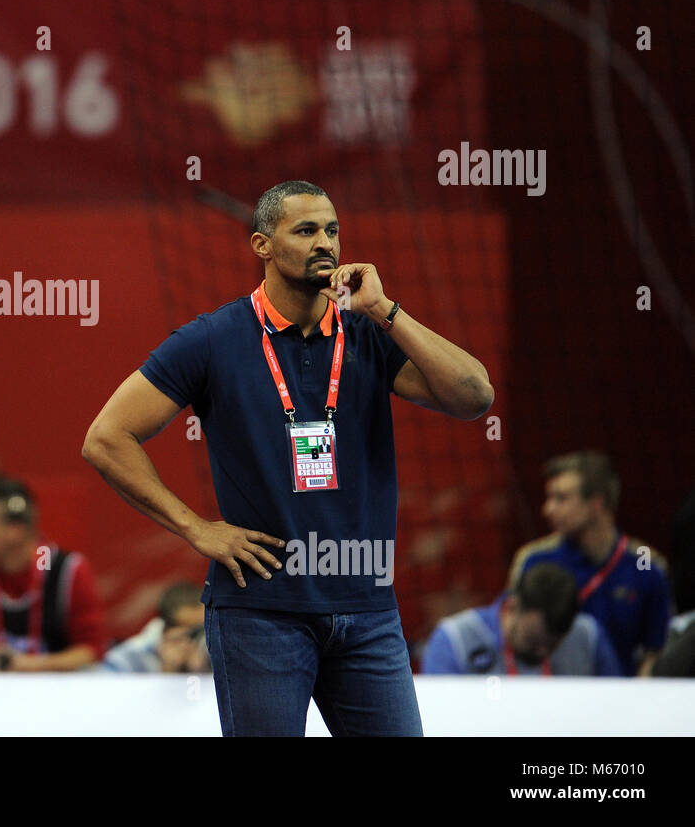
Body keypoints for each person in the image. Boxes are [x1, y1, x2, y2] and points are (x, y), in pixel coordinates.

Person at [83, 179, 495, 736]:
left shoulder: (367, 333)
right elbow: (106, 438)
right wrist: (196, 528)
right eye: (305, 230)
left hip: (367, 605)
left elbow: (475, 397)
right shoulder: (213, 339)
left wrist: (384, 309)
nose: (325, 242)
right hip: (260, 613)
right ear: (262, 245)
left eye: (332, 230)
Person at [507, 450, 671, 676]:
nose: (548, 509)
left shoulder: (647, 566)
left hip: (621, 699)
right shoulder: (533, 560)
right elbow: (514, 634)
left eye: (561, 498)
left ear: (596, 504)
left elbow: (656, 651)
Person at [0, 478, 108, 671]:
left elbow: (91, 650)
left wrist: (30, 666)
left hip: (56, 689)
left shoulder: (65, 570)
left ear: (15, 531)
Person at [420, 564, 621, 676]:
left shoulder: (587, 636)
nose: (542, 652)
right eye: (532, 641)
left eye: (553, 646)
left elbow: (616, 707)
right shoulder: (455, 641)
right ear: (512, 606)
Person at [103, 581, 210, 673]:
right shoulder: (128, 659)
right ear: (168, 630)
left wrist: (201, 672)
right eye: (194, 632)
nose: (201, 637)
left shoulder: (213, 649)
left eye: (203, 628)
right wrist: (168, 671)